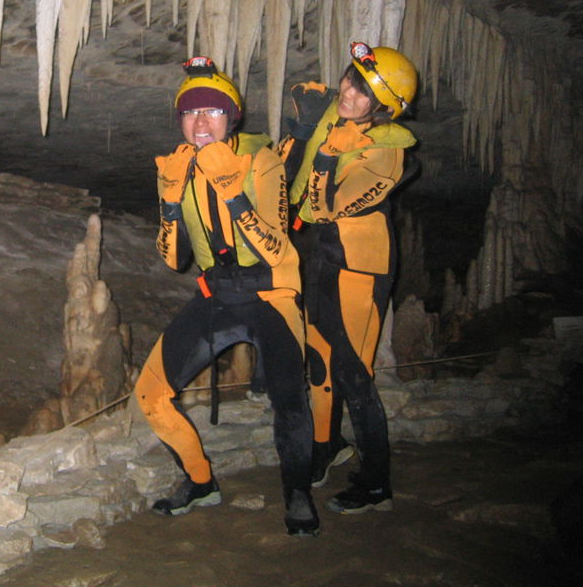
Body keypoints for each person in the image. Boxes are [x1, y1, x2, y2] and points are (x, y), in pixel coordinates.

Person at [134, 56, 319, 537]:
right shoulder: (177, 166)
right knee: (151, 394)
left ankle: (298, 493)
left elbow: (277, 248)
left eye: (212, 112)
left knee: (290, 400)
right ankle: (200, 482)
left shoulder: (262, 160)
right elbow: (174, 259)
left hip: (271, 293)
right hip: (216, 295)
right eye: (190, 112)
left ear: (231, 117)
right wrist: (171, 203)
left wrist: (234, 195)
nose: (199, 122)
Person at [276, 42, 418, 514]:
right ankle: (326, 446)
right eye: (351, 79)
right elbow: (284, 179)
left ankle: (377, 482)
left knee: (354, 374)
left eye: (364, 91)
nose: (350, 93)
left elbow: (326, 205)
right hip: (318, 257)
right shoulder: (330, 120)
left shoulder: (387, 151)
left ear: (384, 108)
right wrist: (301, 130)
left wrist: (325, 159)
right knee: (319, 363)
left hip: (359, 265)